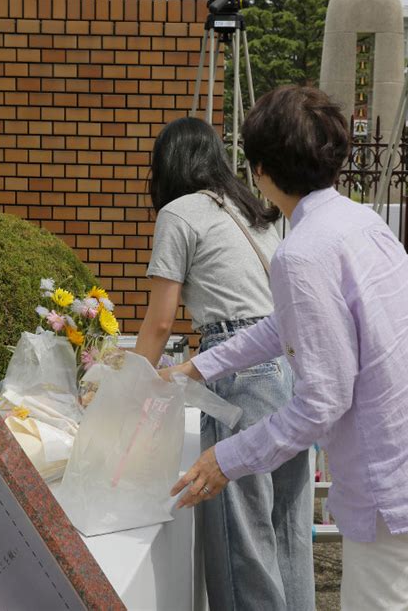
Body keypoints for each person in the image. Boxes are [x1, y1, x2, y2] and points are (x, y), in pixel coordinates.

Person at [163, 86, 408, 611]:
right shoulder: (360, 222)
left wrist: (227, 458)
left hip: (388, 479)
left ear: (259, 169)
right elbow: (285, 326)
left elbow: (322, 402)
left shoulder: (304, 253)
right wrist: (197, 367)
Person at [134, 116, 315, 611]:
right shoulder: (253, 209)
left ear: (166, 166)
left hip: (242, 368)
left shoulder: (178, 214)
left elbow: (158, 323)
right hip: (291, 362)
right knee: (287, 530)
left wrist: (128, 387)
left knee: (243, 538)